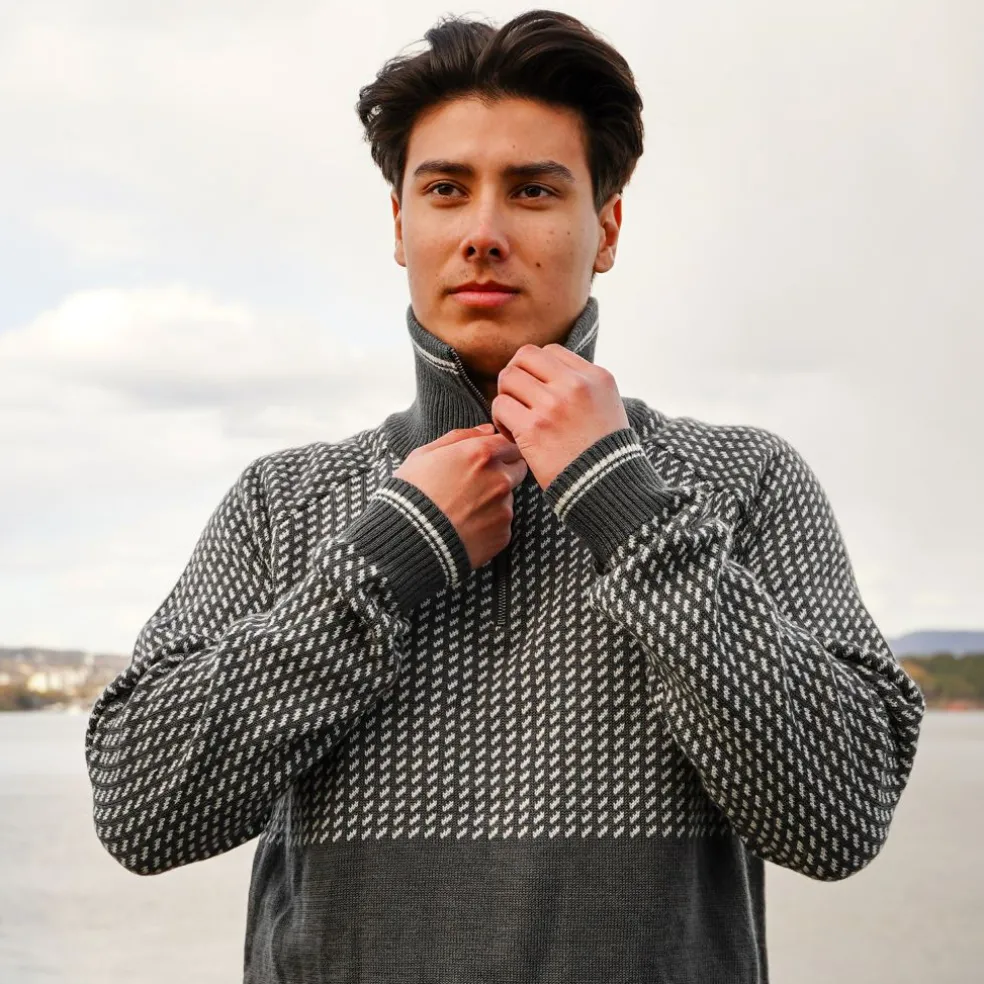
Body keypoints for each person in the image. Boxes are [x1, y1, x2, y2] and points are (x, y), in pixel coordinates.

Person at [84, 9, 926, 983]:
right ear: (400, 225)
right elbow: (139, 809)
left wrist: (622, 502)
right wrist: (391, 551)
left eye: (533, 190)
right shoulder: (284, 500)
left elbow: (841, 818)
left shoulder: (744, 480)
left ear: (607, 229)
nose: (483, 234)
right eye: (446, 189)